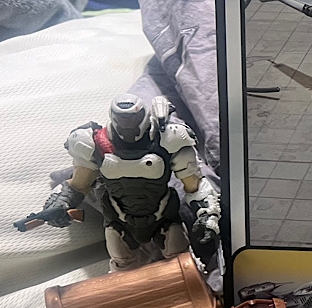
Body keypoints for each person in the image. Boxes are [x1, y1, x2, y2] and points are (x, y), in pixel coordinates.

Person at [39, 93, 220, 272]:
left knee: (184, 268)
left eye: (132, 119)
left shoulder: (167, 139)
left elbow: (194, 185)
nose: (128, 126)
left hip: (162, 216)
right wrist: (60, 204)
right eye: (122, 119)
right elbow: (78, 185)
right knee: (123, 274)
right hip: (119, 219)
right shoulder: (96, 144)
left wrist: (208, 214)